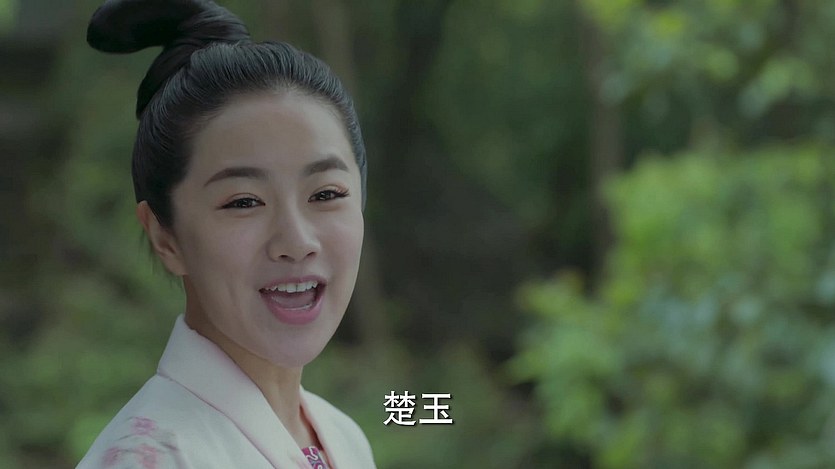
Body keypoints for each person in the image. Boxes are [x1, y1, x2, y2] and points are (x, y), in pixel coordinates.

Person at [77, 0, 375, 467]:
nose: (296, 242)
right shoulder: (153, 458)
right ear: (165, 237)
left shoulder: (343, 437)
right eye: (243, 202)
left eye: (326, 193)